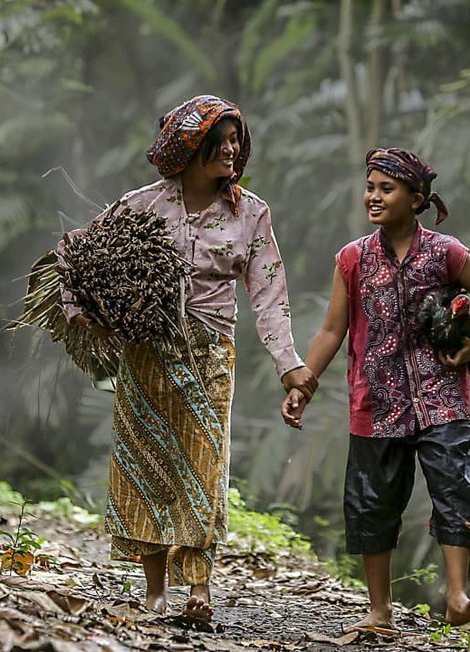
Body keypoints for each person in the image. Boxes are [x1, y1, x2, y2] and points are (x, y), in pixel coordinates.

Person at [61, 95, 316, 621]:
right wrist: (80, 310)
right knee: (145, 462)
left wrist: (289, 366)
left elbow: (269, 296)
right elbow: (76, 255)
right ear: (189, 146)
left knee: (204, 467)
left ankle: (198, 588)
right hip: (147, 355)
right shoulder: (141, 205)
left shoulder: (252, 214)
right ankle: (155, 588)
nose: (230, 150)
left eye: (234, 142)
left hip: (209, 357)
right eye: (218, 141)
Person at [280, 147, 470, 628]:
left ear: (416, 198)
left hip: (443, 399)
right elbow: (330, 330)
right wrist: (304, 382)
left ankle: (457, 597)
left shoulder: (447, 253)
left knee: (453, 488)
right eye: (370, 187)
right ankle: (379, 610)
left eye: (387, 188)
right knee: (371, 502)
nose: (374, 197)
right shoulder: (353, 259)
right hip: (375, 402)